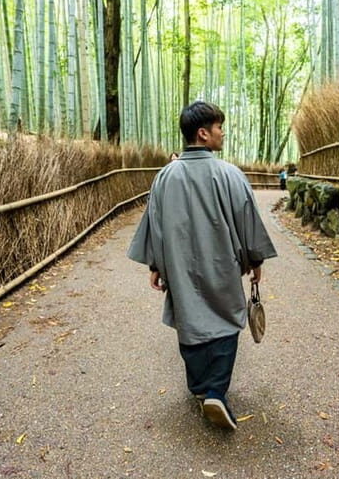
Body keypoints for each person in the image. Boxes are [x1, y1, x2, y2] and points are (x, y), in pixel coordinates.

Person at [127, 101, 277, 430]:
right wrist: (256, 259)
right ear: (203, 133)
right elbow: (247, 220)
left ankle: (199, 388)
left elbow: (155, 222)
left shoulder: (165, 176)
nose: (223, 133)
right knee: (226, 319)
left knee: (189, 318)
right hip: (223, 263)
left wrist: (156, 263)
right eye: (220, 127)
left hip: (179, 266)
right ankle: (216, 391)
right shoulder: (229, 174)